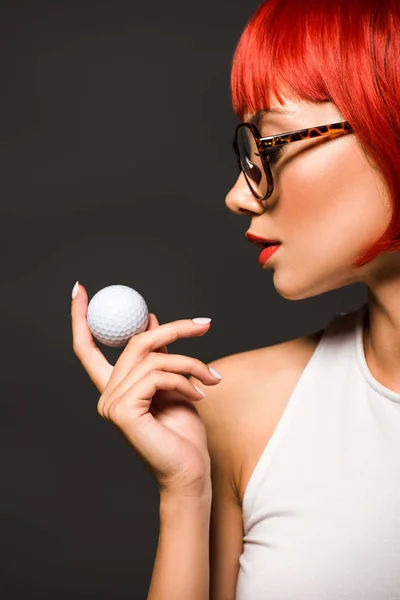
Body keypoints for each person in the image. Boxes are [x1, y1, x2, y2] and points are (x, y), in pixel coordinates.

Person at [70, 0, 400, 598]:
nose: (238, 196)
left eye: (268, 144)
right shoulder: (237, 407)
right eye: (244, 150)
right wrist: (185, 496)